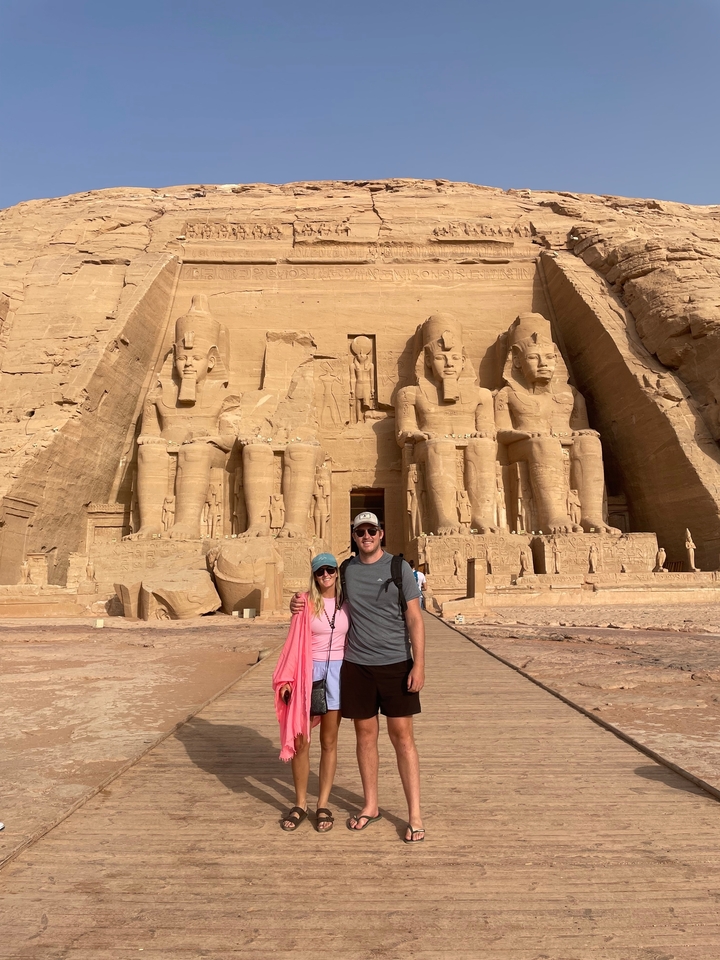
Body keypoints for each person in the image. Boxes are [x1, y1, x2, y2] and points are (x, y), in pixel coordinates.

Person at [291, 511, 426, 843]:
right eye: (360, 531)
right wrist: (298, 601)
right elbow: (323, 593)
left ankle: (415, 815)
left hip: (396, 663)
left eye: (371, 530)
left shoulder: (399, 569)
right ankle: (370, 805)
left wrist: (419, 665)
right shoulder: (347, 570)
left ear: (381, 533)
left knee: (403, 738)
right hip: (357, 665)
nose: (366, 535)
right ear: (353, 535)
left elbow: (415, 619)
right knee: (365, 738)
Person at [273, 552, 348, 833]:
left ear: (337, 572)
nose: (325, 575)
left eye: (330, 570)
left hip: (338, 676)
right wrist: (287, 680)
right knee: (302, 741)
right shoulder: (303, 602)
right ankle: (301, 802)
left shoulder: (346, 602)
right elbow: (293, 642)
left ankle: (323, 803)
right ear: (314, 575)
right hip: (307, 673)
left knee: (329, 741)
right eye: (320, 572)